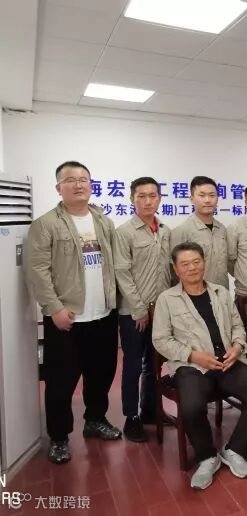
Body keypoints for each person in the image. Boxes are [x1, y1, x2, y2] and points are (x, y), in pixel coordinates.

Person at [152, 242, 247, 490]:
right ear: (176, 269)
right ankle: (207, 456)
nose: (192, 268)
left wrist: (237, 347)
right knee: (191, 407)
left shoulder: (220, 292)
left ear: (204, 263)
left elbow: (238, 326)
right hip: (191, 366)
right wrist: (192, 356)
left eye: (196, 262)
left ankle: (235, 449)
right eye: (185, 264)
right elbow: (160, 340)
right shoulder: (167, 299)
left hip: (227, 361)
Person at [26, 161, 121, 465]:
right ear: (59, 188)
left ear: (91, 185)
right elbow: (37, 270)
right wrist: (54, 308)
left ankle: (95, 419)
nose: (78, 184)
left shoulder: (102, 221)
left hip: (103, 314)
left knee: (101, 374)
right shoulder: (46, 224)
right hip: (66, 319)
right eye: (70, 180)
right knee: (61, 382)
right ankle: (59, 437)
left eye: (83, 179)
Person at [113, 177, 171, 443]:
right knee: (133, 365)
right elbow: (122, 273)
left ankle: (149, 411)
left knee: (155, 363)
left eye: (152, 196)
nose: (148, 201)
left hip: (160, 310)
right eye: (141, 196)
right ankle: (131, 417)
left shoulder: (165, 231)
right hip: (134, 313)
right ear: (132, 199)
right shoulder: (124, 232)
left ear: (159, 198)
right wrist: (139, 309)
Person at [171, 176, 233, 292]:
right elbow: (174, 272)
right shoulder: (182, 231)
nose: (207, 200)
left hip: (222, 293)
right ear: (191, 199)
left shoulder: (222, 229)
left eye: (212, 195)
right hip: (193, 295)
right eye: (202, 195)